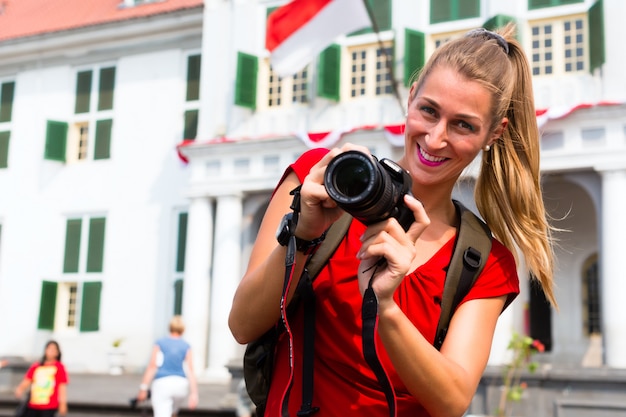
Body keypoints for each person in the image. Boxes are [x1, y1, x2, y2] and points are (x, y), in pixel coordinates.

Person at [228, 23, 556, 417]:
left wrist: (385, 306)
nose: (435, 139)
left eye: (463, 125)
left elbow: (451, 400)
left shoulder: (482, 260)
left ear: (494, 133)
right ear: (411, 97)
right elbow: (243, 325)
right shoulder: (321, 179)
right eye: (429, 111)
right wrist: (303, 235)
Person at [137, 315, 199, 417]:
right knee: (173, 413)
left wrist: (143, 387)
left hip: (163, 382)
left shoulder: (160, 343)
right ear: (183, 329)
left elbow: (152, 366)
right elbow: (190, 370)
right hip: (181, 384)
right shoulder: (186, 345)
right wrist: (194, 394)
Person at [14, 340, 68, 417]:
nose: (51, 351)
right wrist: (20, 388)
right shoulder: (37, 366)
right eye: (49, 348)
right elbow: (28, 380)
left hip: (49, 405)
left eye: (54, 349)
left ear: (57, 352)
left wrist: (63, 403)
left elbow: (62, 386)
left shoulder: (59, 367)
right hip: (34, 403)